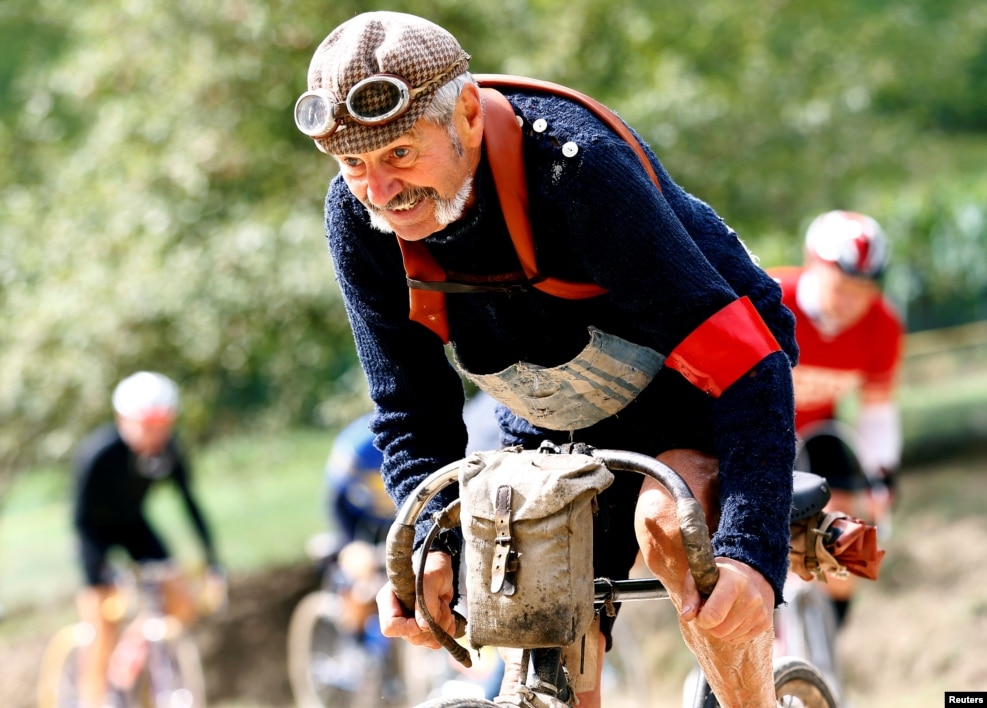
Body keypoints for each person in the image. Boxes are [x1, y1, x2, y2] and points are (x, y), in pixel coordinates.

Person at [294, 12, 799, 707]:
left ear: (467, 115)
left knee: (667, 525)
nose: (380, 192)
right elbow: (409, 403)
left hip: (690, 382)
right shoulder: (358, 219)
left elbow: (747, 367)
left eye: (400, 155)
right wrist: (426, 549)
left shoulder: (577, 170)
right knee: (533, 609)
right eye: (354, 165)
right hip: (550, 408)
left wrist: (749, 553)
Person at [770, 210, 905, 627]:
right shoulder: (769, 299)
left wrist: (881, 477)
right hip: (751, 432)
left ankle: (823, 660)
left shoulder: (882, 325)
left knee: (853, 550)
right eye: (843, 286)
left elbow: (877, 408)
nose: (853, 303)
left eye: (864, 290)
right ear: (814, 265)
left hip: (818, 436)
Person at [71, 371, 224, 706]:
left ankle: (136, 644)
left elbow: (189, 503)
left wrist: (212, 560)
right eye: (147, 425)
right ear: (122, 420)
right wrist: (101, 571)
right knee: (101, 621)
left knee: (180, 598)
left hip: (134, 526)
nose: (156, 433)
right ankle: (91, 698)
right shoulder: (99, 454)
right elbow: (81, 517)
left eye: (163, 424)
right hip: (94, 533)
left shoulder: (168, 451)